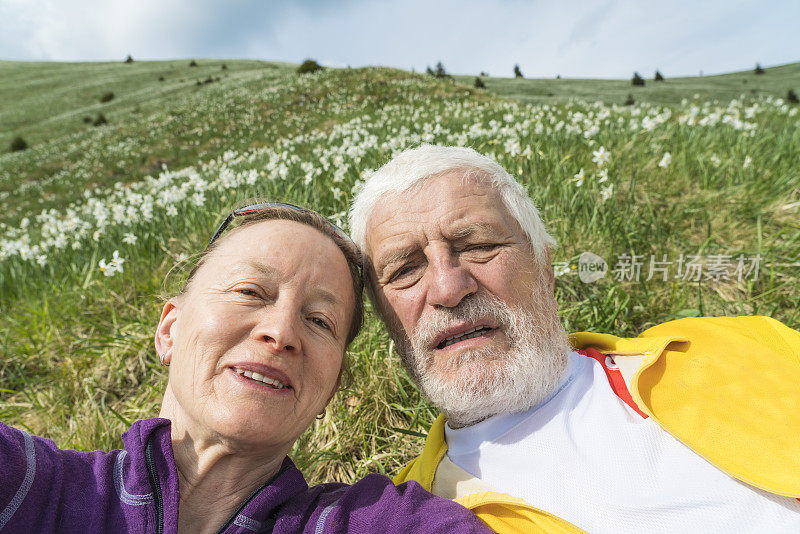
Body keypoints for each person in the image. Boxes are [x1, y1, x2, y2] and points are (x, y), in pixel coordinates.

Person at [349, 145, 800, 533]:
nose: (448, 289)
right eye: (405, 269)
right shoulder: (404, 515)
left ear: (544, 268)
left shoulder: (733, 343)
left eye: (477, 245)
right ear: (383, 316)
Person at [0, 202, 492, 533]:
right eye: (249, 292)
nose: (281, 333)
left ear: (332, 388)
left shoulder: (368, 521)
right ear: (169, 330)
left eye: (320, 320)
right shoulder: (36, 487)